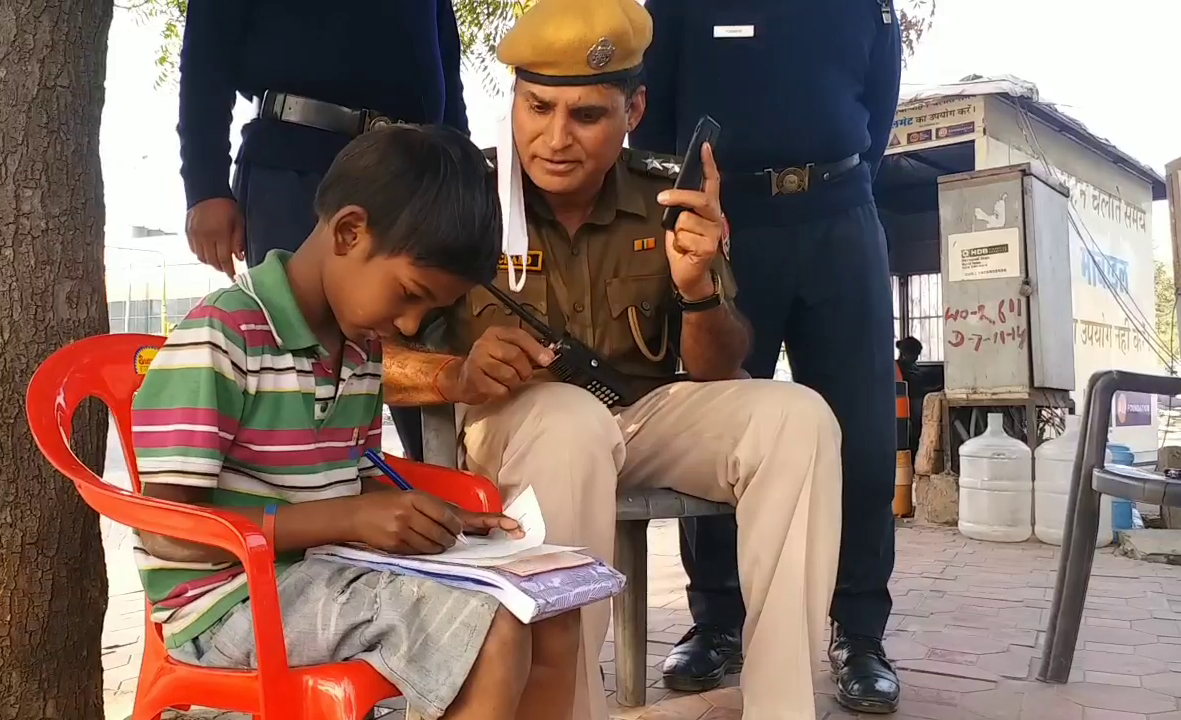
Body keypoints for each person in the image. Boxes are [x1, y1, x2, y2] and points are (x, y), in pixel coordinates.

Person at [381, 1, 844, 718]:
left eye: (586, 116)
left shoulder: (667, 195)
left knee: (799, 417)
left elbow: (719, 368)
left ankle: (781, 707)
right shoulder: (460, 194)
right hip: (514, 426)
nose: (555, 138)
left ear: (634, 109)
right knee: (567, 421)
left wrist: (697, 292)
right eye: (537, 108)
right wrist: (456, 374)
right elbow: (368, 354)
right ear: (514, 99)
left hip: (642, 417)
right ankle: (567, 709)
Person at [132, 125, 580, 720]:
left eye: (430, 310)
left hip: (327, 571)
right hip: (228, 605)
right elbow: (171, 531)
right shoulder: (221, 337)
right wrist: (350, 518)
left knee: (548, 605)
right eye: (409, 294)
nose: (414, 326)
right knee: (490, 626)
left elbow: (354, 479)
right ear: (349, 232)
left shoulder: (360, 350)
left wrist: (432, 516)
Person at [630, 0, 904, 712]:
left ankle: (860, 633)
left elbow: (878, 105)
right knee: (723, 416)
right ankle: (717, 622)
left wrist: (832, 183)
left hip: (841, 216)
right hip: (727, 220)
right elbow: (654, 114)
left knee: (865, 437)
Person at [176, 1, 466, 461]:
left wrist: (462, 174)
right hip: (295, 158)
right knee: (297, 359)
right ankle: (299, 504)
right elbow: (207, 47)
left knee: (418, 326)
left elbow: (444, 58)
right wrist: (204, 183)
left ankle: (433, 496)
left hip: (416, 168)